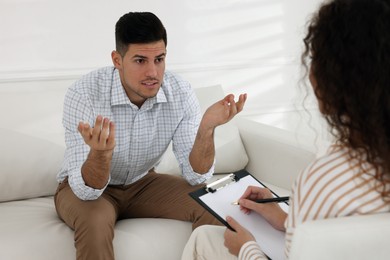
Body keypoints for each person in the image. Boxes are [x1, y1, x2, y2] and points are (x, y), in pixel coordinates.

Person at [181, 0, 390, 259]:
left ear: (327, 81)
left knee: (204, 238)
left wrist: (245, 248)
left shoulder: (326, 179)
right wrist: (284, 219)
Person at [54, 11, 247, 260]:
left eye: (159, 59)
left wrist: (206, 129)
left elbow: (196, 175)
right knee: (96, 222)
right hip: (85, 188)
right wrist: (100, 154)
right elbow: (86, 191)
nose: (153, 72)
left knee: (212, 202)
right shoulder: (84, 94)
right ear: (117, 59)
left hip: (141, 182)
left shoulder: (180, 92)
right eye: (140, 60)